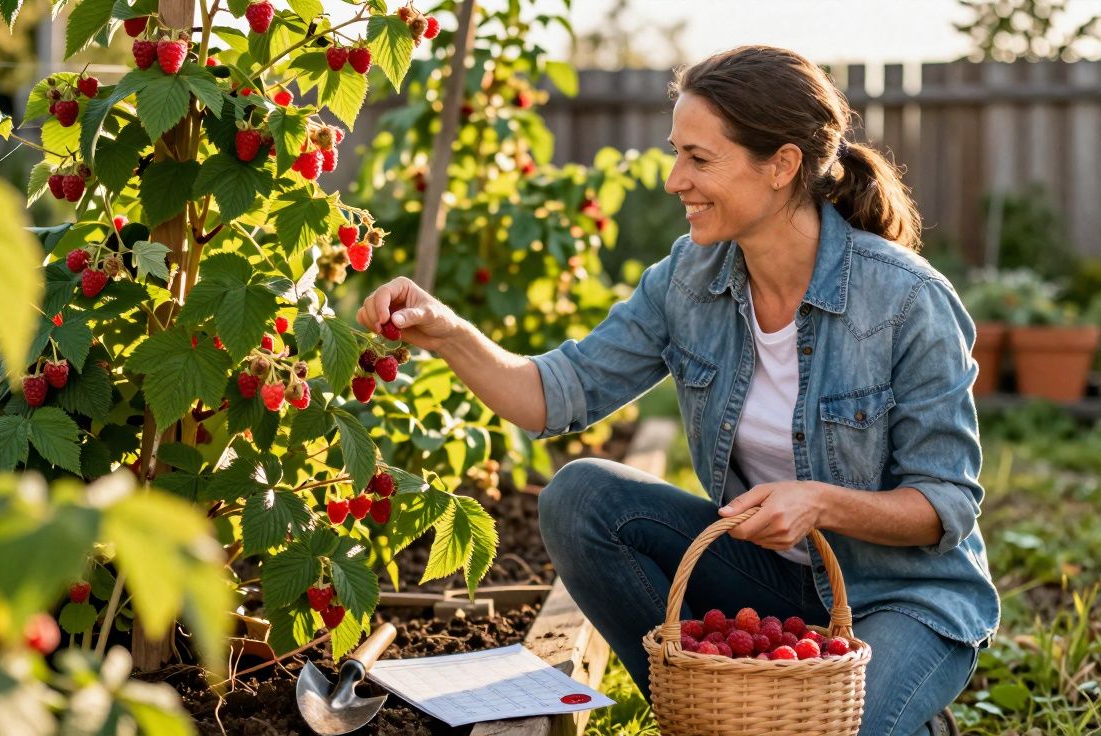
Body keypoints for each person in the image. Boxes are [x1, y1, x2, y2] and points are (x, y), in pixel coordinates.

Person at [357, 45, 999, 736]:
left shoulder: (906, 302)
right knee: (581, 500)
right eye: (676, 153)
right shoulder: (689, 281)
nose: (674, 180)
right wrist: (450, 332)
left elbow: (945, 505)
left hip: (902, 597)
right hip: (767, 588)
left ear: (781, 166)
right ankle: (707, 708)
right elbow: (554, 394)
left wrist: (819, 503)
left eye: (699, 158)